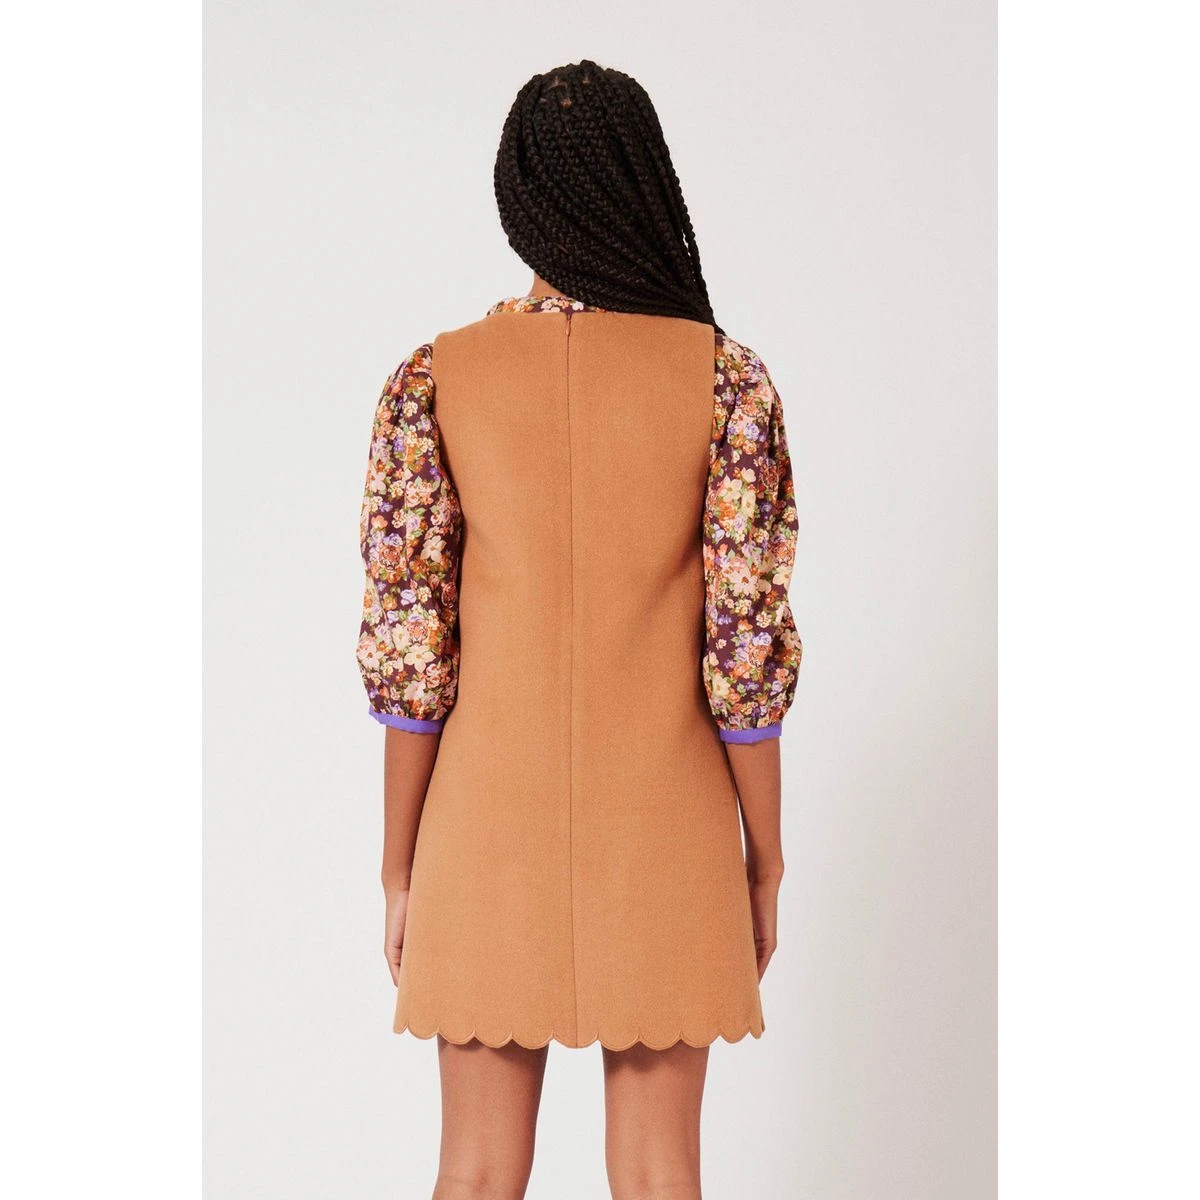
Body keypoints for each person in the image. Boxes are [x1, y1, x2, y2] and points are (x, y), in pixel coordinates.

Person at [356, 58, 802, 1200]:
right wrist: (764, 858)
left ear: (518, 199)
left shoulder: (432, 381)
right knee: (659, 1175)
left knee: (474, 1174)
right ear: (645, 185)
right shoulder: (726, 382)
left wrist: (400, 866)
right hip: (668, 822)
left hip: (483, 825)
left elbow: (411, 653)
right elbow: (745, 657)